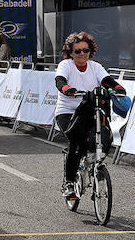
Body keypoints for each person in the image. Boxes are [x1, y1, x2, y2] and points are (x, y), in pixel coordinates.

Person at [54, 31, 126, 198]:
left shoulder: (95, 67)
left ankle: (96, 167)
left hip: (90, 111)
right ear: (70, 52)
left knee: (104, 135)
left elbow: (107, 81)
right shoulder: (66, 65)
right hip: (67, 112)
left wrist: (118, 89)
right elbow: (60, 81)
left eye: (85, 50)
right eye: (77, 51)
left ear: (90, 51)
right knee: (77, 142)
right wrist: (67, 89)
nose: (82, 54)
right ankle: (69, 182)